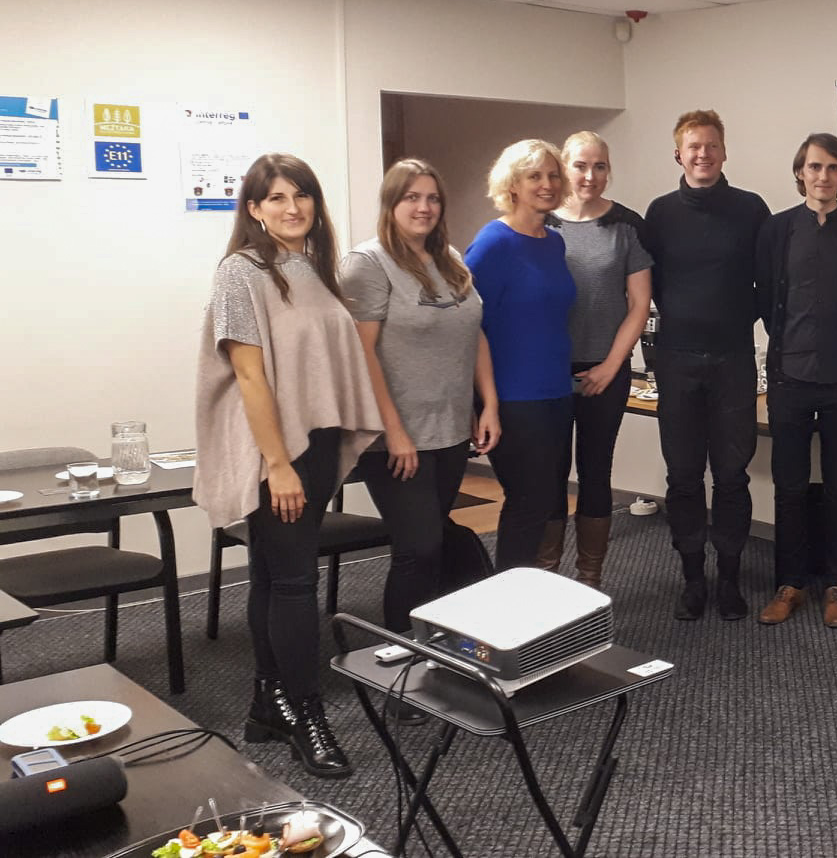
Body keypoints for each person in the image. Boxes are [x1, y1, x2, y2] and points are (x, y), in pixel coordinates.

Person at [194, 153, 382, 778]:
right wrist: (277, 463)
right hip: (277, 449)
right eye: (276, 197)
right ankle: (307, 717)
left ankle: (267, 704)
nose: (292, 207)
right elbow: (249, 376)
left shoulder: (313, 269)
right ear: (253, 209)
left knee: (273, 577)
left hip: (317, 441)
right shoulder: (241, 272)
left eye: (301, 194)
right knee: (297, 583)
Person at [340, 158, 500, 638]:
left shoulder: (449, 259)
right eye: (411, 197)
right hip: (395, 435)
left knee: (434, 542)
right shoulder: (367, 264)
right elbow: (361, 353)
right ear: (391, 203)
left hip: (449, 429)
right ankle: (400, 656)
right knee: (418, 548)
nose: (423, 207)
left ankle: (436, 642)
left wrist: (487, 404)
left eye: (432, 198)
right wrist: (394, 433)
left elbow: (473, 333)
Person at [754, 133, 837, 629]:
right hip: (789, 377)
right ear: (800, 172)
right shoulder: (776, 230)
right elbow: (765, 298)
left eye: (833, 168)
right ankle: (789, 584)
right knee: (790, 486)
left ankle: (835, 584)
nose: (823, 176)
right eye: (814, 167)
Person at [641, 110, 770, 621]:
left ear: (723, 152)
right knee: (684, 477)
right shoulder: (660, 213)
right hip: (677, 362)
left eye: (711, 145)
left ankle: (730, 580)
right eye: (694, 146)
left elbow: (768, 282)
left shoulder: (751, 209)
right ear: (679, 154)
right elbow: (647, 284)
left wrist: (735, 318)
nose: (703, 154)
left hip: (734, 360)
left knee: (733, 476)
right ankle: (693, 580)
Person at [464, 140, 576, 572]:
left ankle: (529, 591)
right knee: (528, 502)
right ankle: (506, 597)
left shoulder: (553, 243)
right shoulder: (493, 243)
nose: (547, 184)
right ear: (512, 185)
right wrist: (485, 404)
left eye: (553, 175)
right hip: (512, 397)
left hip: (555, 392)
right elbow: (467, 324)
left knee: (547, 502)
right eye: (534, 176)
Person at [546, 131, 652, 588]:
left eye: (600, 166)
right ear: (564, 167)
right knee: (549, 473)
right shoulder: (540, 222)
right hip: (547, 373)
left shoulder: (627, 226)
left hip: (605, 371)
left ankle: (589, 578)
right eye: (580, 165)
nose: (590, 176)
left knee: (595, 471)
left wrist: (611, 366)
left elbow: (639, 305)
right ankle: (546, 579)